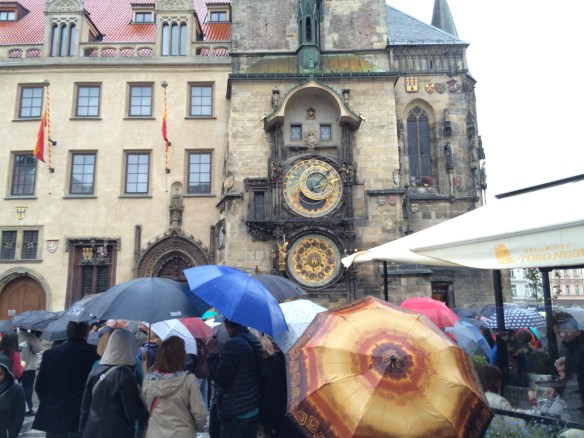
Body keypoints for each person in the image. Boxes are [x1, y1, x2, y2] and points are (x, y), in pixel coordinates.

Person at [33, 321, 100, 438]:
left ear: (68, 333)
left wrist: (50, 402)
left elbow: (40, 385)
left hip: (55, 413)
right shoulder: (94, 353)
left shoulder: (50, 353)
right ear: (87, 333)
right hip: (80, 413)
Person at [80, 329, 145, 438]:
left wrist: (82, 430)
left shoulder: (96, 370)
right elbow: (133, 413)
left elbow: (85, 406)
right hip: (117, 432)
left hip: (92, 430)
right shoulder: (126, 375)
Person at [207, 318, 263, 438]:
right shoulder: (254, 340)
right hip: (251, 405)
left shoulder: (233, 344)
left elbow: (221, 378)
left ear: (227, 325)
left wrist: (212, 353)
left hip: (235, 410)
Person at [141, 336, 207, 437]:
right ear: (181, 356)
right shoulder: (188, 380)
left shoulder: (148, 380)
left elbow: (145, 406)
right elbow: (200, 415)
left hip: (155, 433)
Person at [477, 364, 526, 429]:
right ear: (497, 382)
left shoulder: (474, 398)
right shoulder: (501, 401)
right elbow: (514, 427)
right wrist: (522, 418)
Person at [552, 314, 584, 412]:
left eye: (559, 333)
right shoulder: (572, 347)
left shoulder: (578, 347)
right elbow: (572, 377)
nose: (560, 338)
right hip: (576, 402)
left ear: (569, 328)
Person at [0, 353, 25, 438]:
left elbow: (19, 414)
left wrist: (11, 434)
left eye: (0, 374)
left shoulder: (16, 390)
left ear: (6, 373)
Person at [17, 329, 42, 416]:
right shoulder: (30, 336)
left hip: (17, 365)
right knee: (27, 388)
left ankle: (16, 407)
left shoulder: (15, 335)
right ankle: (28, 408)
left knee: (16, 387)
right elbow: (37, 349)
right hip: (29, 366)